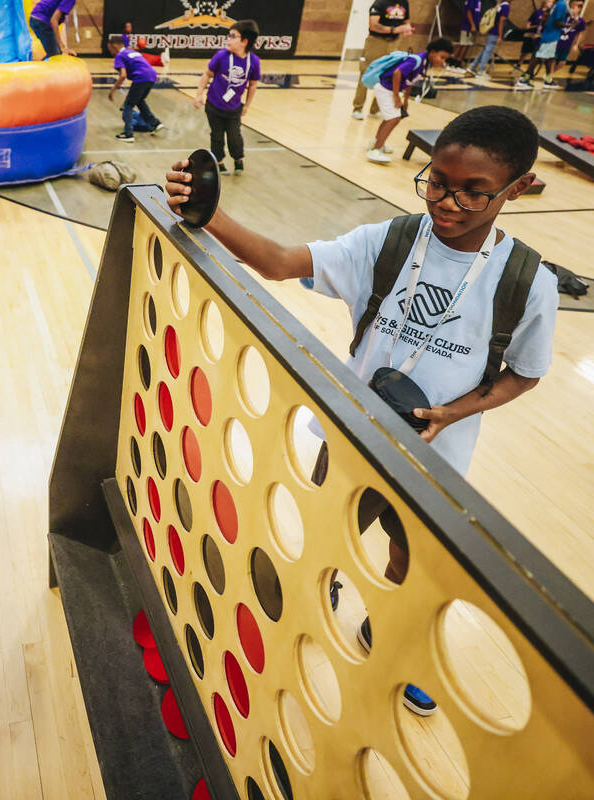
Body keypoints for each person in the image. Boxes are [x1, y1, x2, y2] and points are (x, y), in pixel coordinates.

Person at [167, 105, 558, 715]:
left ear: (519, 188)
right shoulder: (390, 240)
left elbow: (525, 375)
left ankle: (395, 638)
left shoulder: (530, 283)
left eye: (473, 194)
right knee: (325, 531)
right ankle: (306, 603)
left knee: (408, 559)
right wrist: (207, 212)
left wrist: (451, 414)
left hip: (434, 461)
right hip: (351, 436)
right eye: (436, 181)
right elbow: (277, 261)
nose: (447, 204)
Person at [364, 37, 452, 164]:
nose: (443, 61)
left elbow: (410, 81)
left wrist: (405, 99)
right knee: (393, 119)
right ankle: (375, 150)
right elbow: (397, 73)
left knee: (391, 118)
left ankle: (377, 143)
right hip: (385, 88)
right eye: (442, 57)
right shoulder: (416, 60)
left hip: (389, 89)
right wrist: (395, 96)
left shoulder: (424, 63)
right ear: (432, 52)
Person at [193, 20, 260, 174]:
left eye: (233, 36)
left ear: (244, 41)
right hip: (214, 105)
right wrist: (198, 95)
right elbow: (207, 74)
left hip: (234, 108)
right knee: (216, 136)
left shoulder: (254, 62)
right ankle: (219, 162)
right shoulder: (221, 55)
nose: (228, 39)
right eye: (228, 35)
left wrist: (247, 105)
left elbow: (253, 85)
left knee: (234, 137)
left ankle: (238, 158)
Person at [352, 1, 413, 120]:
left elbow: (406, 22)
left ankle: (375, 110)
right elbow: (373, 25)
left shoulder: (404, 2)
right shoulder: (380, 2)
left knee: (386, 75)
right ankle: (358, 108)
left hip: (394, 42)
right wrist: (394, 30)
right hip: (376, 41)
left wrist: (407, 29)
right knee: (366, 73)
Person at [108, 34, 162, 143]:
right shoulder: (131, 52)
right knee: (139, 100)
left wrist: (113, 90)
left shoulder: (120, 55)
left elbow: (123, 75)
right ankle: (155, 123)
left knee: (128, 105)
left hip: (141, 77)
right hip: (152, 76)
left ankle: (128, 134)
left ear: (113, 45)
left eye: (108, 45)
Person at [520, 0, 570, 88]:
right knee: (538, 57)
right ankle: (525, 79)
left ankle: (548, 80)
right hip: (551, 36)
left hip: (550, 34)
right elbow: (557, 22)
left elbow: (549, 19)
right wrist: (569, 26)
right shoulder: (562, 4)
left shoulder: (558, 4)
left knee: (550, 58)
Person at [469, 0, 510, 77]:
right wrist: (500, 36)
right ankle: (481, 71)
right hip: (496, 33)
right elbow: (501, 21)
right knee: (487, 51)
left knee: (485, 50)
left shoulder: (499, 5)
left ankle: (472, 66)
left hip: (491, 30)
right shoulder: (506, 6)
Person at [517, 0, 553, 72]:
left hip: (540, 37)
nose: (550, 3)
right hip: (532, 33)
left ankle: (529, 70)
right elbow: (528, 25)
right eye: (549, 1)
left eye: (552, 2)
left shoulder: (551, 15)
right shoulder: (537, 12)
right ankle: (518, 65)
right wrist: (534, 26)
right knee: (524, 52)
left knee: (534, 54)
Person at [557, 0, 587, 69]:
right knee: (552, 60)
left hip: (567, 45)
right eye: (571, 8)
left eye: (574, 8)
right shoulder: (564, 17)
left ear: (579, 9)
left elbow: (580, 33)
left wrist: (576, 44)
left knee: (562, 62)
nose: (571, 10)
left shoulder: (581, 21)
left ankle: (549, 74)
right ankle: (548, 75)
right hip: (558, 42)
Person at [453, 0, 481, 65]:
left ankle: (456, 60)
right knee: (464, 44)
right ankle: (456, 61)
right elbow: (468, 12)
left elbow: (476, 13)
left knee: (465, 44)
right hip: (467, 26)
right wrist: (472, 25)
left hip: (470, 26)